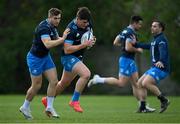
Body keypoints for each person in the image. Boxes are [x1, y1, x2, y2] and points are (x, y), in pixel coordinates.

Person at [88, 15, 155, 113]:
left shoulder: (124, 31)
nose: (140, 26)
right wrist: (138, 50)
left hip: (130, 60)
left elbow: (115, 42)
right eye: (139, 24)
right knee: (121, 83)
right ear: (134, 23)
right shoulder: (130, 32)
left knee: (136, 84)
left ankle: (142, 106)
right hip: (126, 60)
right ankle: (98, 79)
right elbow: (128, 48)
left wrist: (124, 45)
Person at [41, 7, 96, 113]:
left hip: (78, 57)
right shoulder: (71, 29)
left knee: (63, 84)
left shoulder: (87, 23)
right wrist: (84, 44)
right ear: (78, 19)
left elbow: (89, 36)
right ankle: (74, 101)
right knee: (86, 74)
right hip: (68, 57)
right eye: (84, 22)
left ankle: (47, 100)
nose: (86, 24)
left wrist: (91, 40)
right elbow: (67, 50)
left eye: (87, 22)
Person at [19, 8, 70, 119]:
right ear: (49, 17)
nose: (57, 21)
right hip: (35, 59)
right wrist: (63, 39)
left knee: (54, 81)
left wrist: (77, 41)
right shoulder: (43, 28)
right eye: (55, 18)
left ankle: (49, 107)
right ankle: (25, 106)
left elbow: (58, 39)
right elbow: (47, 44)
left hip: (45, 57)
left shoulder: (53, 27)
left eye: (59, 18)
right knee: (36, 86)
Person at [136, 20, 170, 113]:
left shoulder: (161, 39)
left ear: (160, 28)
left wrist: (161, 60)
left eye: (155, 26)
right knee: (139, 83)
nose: (152, 27)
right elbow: (148, 46)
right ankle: (143, 107)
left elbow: (163, 51)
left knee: (146, 83)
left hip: (162, 68)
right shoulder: (155, 39)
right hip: (154, 68)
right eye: (152, 26)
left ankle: (164, 100)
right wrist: (136, 44)